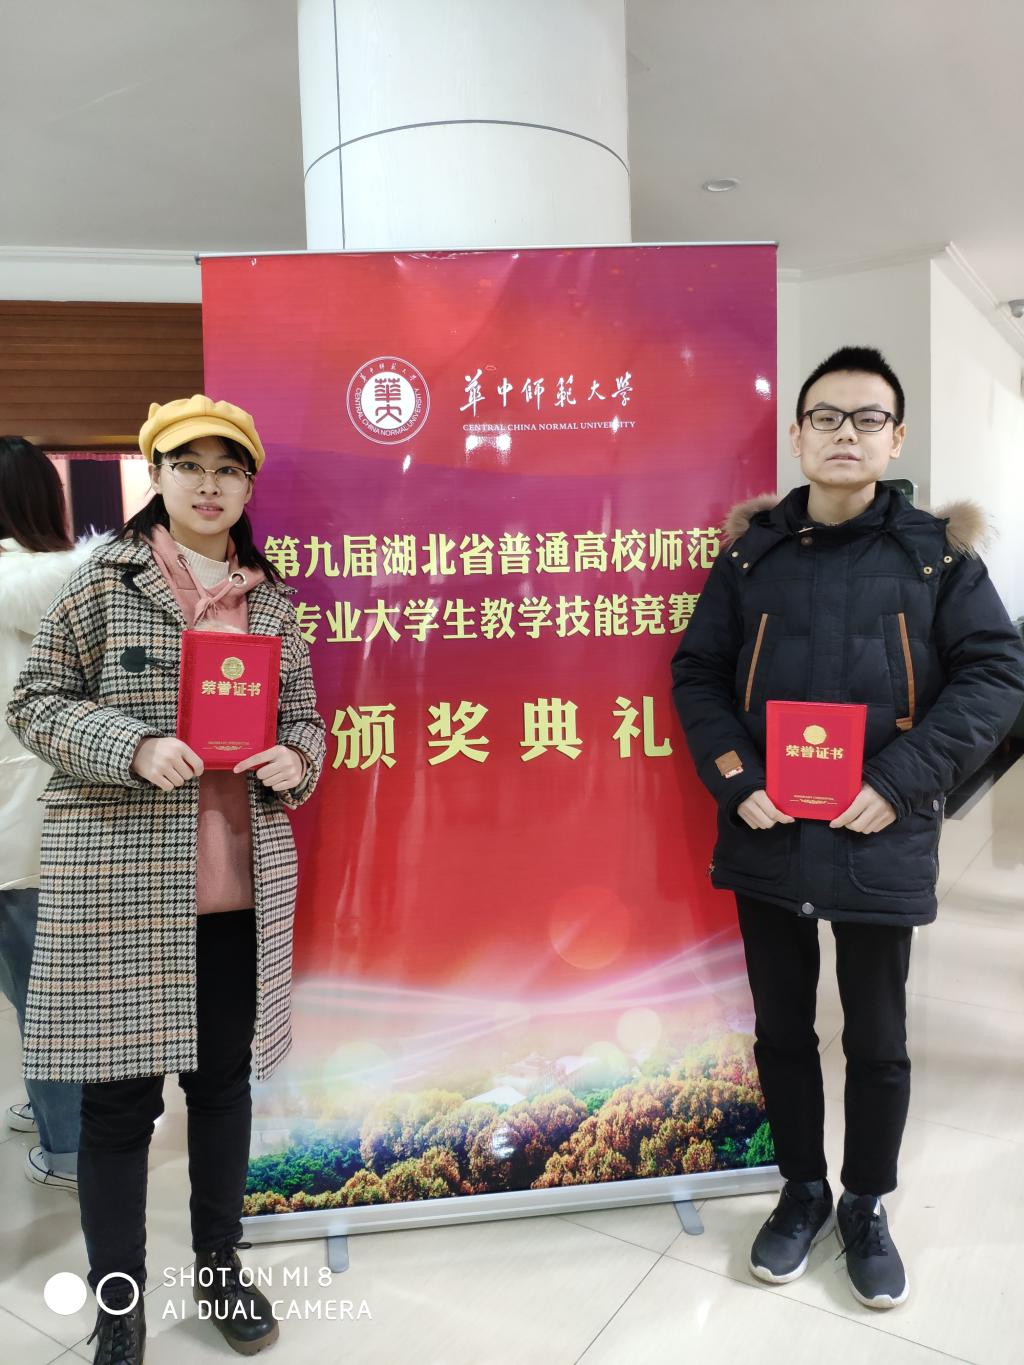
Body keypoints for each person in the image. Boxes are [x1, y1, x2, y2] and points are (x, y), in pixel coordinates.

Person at [670, 346, 1024, 1310]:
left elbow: (997, 673)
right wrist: (735, 776)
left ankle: (865, 1202)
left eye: (869, 418)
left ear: (895, 439)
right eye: (826, 417)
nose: (846, 434)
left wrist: (902, 781)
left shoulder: (937, 556)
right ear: (797, 434)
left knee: (877, 1036)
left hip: (880, 834)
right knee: (782, 1030)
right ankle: (801, 1191)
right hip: (768, 829)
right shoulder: (751, 555)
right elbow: (697, 671)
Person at [7, 395, 326, 1364]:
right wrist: (134, 745)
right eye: (189, 465)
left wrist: (295, 760)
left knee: (222, 1091)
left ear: (249, 486)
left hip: (236, 895)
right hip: (121, 893)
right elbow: (35, 701)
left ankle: (221, 1270)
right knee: (117, 1109)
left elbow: (307, 722)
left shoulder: (273, 601)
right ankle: (120, 1305)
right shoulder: (103, 582)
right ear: (157, 476)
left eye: (229, 469)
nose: (209, 485)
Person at [0, 436, 110, 1192]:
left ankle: (68, 1143)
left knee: (38, 994)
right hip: (64, 817)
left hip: (18, 827)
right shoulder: (86, 584)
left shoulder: (23, 585)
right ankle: (59, 1116)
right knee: (51, 991)